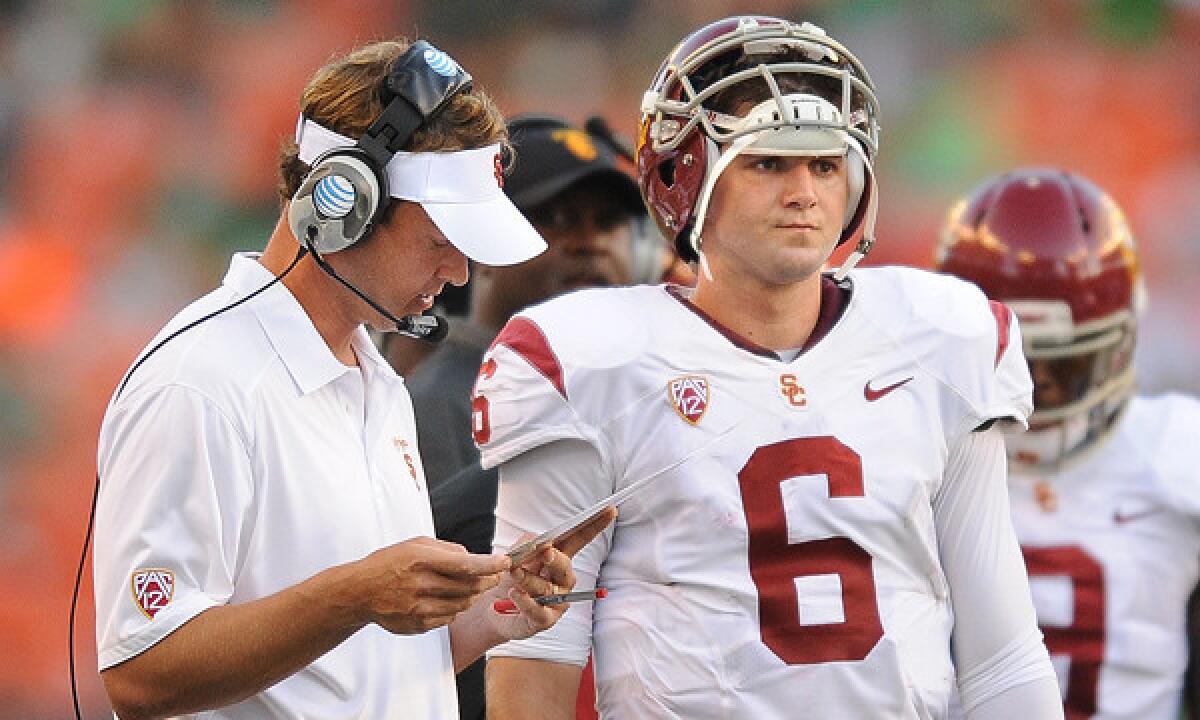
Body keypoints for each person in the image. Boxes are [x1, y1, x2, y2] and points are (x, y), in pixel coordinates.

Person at [476, 16, 1064, 719]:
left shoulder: (938, 339)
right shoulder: (592, 363)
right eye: (768, 163)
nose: (804, 193)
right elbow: (538, 647)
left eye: (824, 164)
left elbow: (1000, 647)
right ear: (685, 177)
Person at [92, 38, 613, 720]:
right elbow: (141, 671)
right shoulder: (200, 385)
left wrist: (493, 609)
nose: (459, 275)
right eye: (441, 242)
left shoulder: (380, 386)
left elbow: (354, 669)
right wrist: (356, 593)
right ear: (346, 204)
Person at [935, 167, 1200, 719]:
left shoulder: (1177, 450)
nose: (1036, 397)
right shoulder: (915, 453)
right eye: (1013, 365)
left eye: (1067, 367)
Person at [403, 112, 655, 491]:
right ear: (484, 241)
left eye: (607, 222)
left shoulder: (642, 384)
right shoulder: (436, 403)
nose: (590, 242)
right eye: (555, 217)